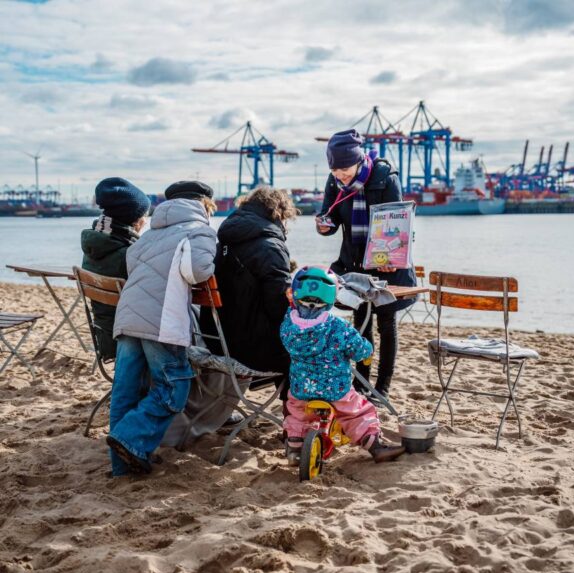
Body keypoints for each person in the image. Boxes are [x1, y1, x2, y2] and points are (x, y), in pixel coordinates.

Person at [107, 181, 217, 476]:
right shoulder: (200, 230)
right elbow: (196, 272)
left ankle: (120, 466)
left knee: (125, 390)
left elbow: (132, 266)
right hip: (161, 320)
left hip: (128, 317)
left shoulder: (148, 233)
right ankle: (129, 439)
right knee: (173, 388)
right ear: (204, 204)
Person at [316, 129, 417, 399]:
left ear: (359, 160)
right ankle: (361, 384)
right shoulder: (334, 181)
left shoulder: (385, 176)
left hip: (387, 262)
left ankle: (382, 388)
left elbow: (399, 226)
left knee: (386, 322)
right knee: (360, 323)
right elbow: (330, 218)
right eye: (335, 171)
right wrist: (323, 225)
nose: (340, 176)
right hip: (353, 262)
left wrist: (392, 260)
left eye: (345, 170)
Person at [280, 266, 405, 464]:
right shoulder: (337, 327)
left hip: (301, 387)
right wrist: (366, 352)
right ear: (331, 298)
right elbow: (359, 348)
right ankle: (375, 447)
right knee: (358, 412)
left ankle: (294, 448)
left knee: (297, 414)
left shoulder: (288, 324)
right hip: (335, 389)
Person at [207, 186, 297, 376]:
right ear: (279, 213)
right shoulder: (271, 247)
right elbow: (279, 307)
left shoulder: (221, 244)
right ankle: (293, 403)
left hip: (217, 343)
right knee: (310, 345)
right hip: (252, 351)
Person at [81, 177, 150, 360]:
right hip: (130, 339)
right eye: (144, 215)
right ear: (135, 221)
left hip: (104, 335)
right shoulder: (129, 254)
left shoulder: (94, 247)